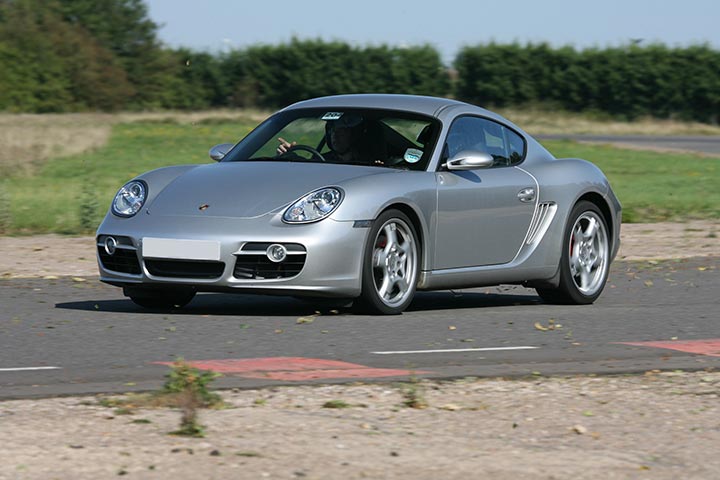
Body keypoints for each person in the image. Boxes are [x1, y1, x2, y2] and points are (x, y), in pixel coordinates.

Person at [276, 113, 376, 164]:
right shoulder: (321, 159)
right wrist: (290, 157)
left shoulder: (369, 163)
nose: (334, 136)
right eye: (332, 132)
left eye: (341, 132)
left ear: (354, 135)